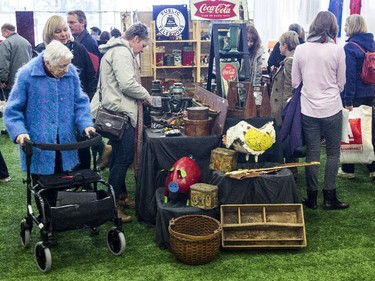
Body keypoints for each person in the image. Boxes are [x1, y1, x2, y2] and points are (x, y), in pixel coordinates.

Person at [4, 40, 95, 176]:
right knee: (44, 190)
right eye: (62, 66)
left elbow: (80, 102)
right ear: (47, 63)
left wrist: (86, 125)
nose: (66, 69)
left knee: (64, 188)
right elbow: (12, 111)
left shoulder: (70, 71)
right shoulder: (26, 75)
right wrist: (19, 132)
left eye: (67, 65)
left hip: (65, 143)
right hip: (38, 145)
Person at [91, 23, 152, 223]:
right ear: (135, 39)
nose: (142, 50)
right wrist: (146, 95)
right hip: (119, 112)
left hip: (114, 110)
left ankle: (122, 197)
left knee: (118, 155)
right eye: (142, 45)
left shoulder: (115, 50)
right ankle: (111, 204)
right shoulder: (123, 53)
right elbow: (127, 84)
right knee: (124, 158)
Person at [292, 11, 349, 210]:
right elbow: (341, 82)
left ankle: (312, 198)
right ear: (333, 28)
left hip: (308, 108)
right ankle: (330, 197)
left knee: (313, 154)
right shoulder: (338, 50)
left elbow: (295, 82)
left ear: (314, 26)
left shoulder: (301, 49)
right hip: (332, 107)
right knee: (333, 153)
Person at [33, 15, 98, 170]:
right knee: (54, 154)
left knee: (82, 149)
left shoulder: (79, 49)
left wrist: (84, 101)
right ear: (50, 33)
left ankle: (83, 184)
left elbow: (91, 77)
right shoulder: (40, 52)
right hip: (50, 115)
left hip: (76, 109)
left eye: (65, 30)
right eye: (58, 31)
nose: (63, 34)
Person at [338, 14, 375, 180]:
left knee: (351, 129)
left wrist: (348, 100)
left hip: (357, 95)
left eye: (346, 25)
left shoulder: (349, 48)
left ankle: (348, 168)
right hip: (371, 94)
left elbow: (350, 77)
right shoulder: (373, 45)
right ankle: (372, 167)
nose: (344, 28)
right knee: (370, 130)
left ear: (351, 27)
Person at [270, 31, 300, 127]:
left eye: (280, 44)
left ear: (285, 45)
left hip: (281, 108)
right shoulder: (293, 59)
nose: (278, 47)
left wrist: (286, 110)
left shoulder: (289, 62)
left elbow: (289, 86)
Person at [0, 23, 32, 100]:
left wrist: (2, 80)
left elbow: (3, 64)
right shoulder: (26, 42)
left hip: (10, 84)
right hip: (25, 81)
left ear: (6, 31)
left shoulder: (6, 43)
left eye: (2, 33)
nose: (2, 35)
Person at [243, 24, 264, 104]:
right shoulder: (237, 53)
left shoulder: (257, 53)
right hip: (238, 90)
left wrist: (256, 96)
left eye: (251, 41)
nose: (249, 44)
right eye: (247, 41)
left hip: (253, 89)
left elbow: (258, 75)